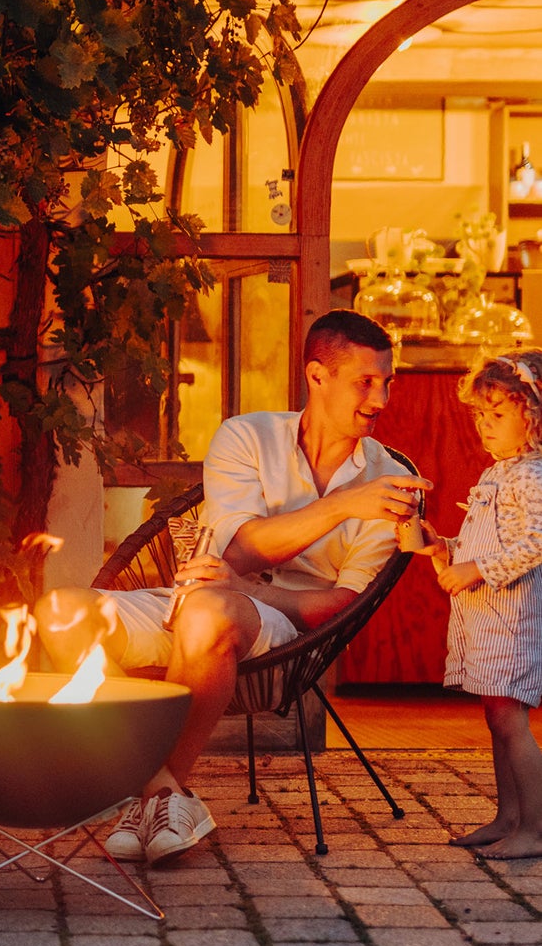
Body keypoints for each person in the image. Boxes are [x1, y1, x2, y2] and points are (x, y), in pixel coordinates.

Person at [38, 309, 430, 864]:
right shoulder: (246, 436)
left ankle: (151, 796)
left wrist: (259, 594)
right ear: (317, 376)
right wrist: (339, 505)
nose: (381, 400)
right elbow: (240, 551)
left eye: (386, 382)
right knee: (60, 610)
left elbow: (342, 606)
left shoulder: (385, 481)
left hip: (282, 627)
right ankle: (160, 792)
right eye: (365, 382)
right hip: (199, 595)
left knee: (208, 612)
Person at [420, 349, 542, 858]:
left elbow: (534, 542)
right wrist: (445, 547)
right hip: (486, 620)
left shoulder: (531, 476)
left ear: (532, 420)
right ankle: (507, 816)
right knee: (496, 716)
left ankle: (534, 828)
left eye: (497, 415)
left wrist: (475, 570)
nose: (485, 426)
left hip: (512, 621)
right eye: (480, 415)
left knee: (510, 720)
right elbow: (492, 539)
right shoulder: (499, 472)